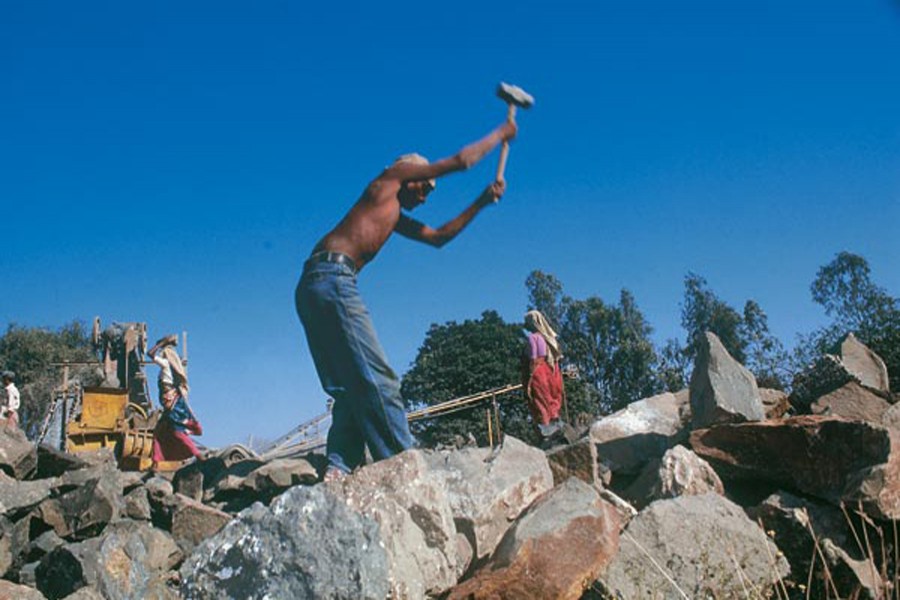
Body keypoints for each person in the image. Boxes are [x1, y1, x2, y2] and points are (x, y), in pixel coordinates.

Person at [296, 118, 518, 480]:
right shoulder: (391, 179)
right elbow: (461, 162)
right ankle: (406, 468)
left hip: (312, 285)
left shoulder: (393, 214)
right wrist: (501, 134)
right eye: (425, 186)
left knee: (351, 387)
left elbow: (438, 237)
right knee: (381, 380)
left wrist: (481, 202)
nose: (426, 196)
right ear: (411, 174)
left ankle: (339, 467)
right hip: (332, 279)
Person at [147, 335, 203, 469]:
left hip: (171, 402)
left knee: (177, 431)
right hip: (172, 401)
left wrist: (160, 344)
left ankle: (198, 455)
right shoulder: (173, 366)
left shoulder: (165, 364)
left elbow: (150, 354)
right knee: (160, 431)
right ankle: (156, 462)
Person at [521, 310, 564, 440]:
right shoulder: (549, 338)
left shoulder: (533, 338)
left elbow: (534, 358)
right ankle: (556, 423)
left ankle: (547, 430)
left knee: (540, 400)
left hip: (538, 373)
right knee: (552, 398)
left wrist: (528, 379)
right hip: (552, 372)